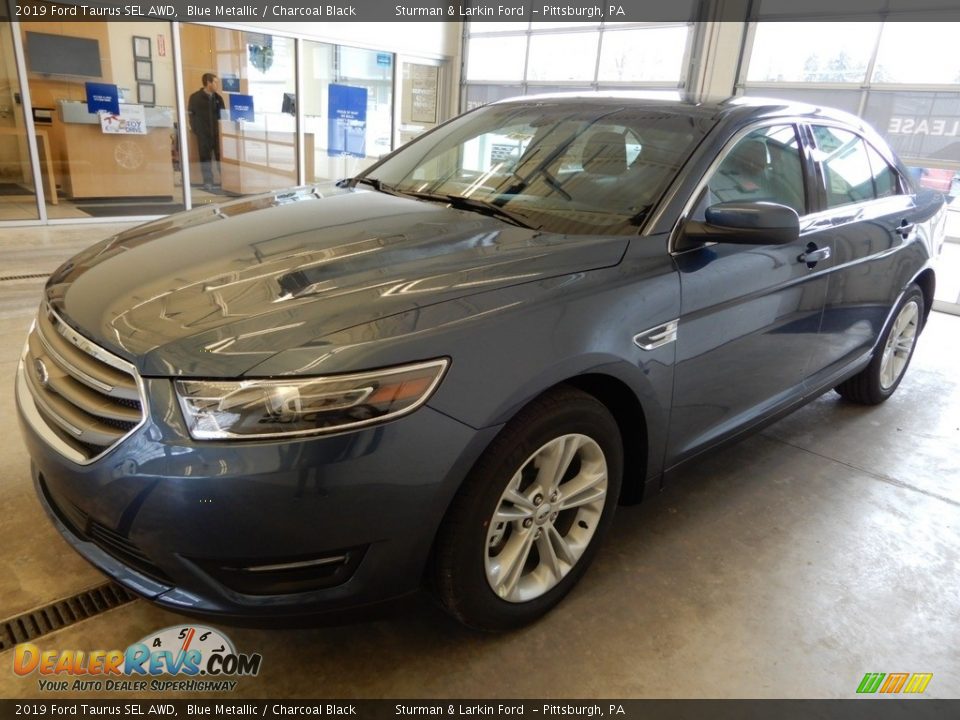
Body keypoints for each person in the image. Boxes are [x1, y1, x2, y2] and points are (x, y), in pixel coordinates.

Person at [187, 73, 225, 191]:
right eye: (215, 82)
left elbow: (223, 116)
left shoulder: (218, 98)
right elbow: (191, 115)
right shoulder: (195, 97)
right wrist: (196, 130)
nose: (217, 84)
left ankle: (225, 181)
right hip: (203, 134)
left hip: (217, 134)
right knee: (205, 158)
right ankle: (208, 182)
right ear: (208, 83)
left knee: (220, 157)